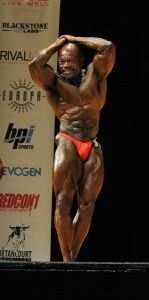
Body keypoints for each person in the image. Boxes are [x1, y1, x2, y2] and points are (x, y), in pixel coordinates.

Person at [27, 35, 116, 261]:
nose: (65, 65)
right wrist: (57, 44)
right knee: (63, 202)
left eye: (69, 61)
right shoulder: (54, 82)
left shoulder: (95, 74)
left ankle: (72, 258)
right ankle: (66, 259)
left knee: (87, 206)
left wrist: (75, 39)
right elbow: (34, 65)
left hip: (92, 143)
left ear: (81, 60)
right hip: (68, 140)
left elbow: (107, 47)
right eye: (62, 62)